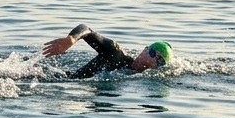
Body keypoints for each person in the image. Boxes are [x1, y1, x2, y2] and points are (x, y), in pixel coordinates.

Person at [41, 23, 172, 77]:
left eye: (160, 61)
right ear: (144, 50)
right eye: (152, 53)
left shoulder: (138, 79)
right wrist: (71, 39)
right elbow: (86, 29)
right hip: (64, 79)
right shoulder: (116, 53)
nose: (153, 60)